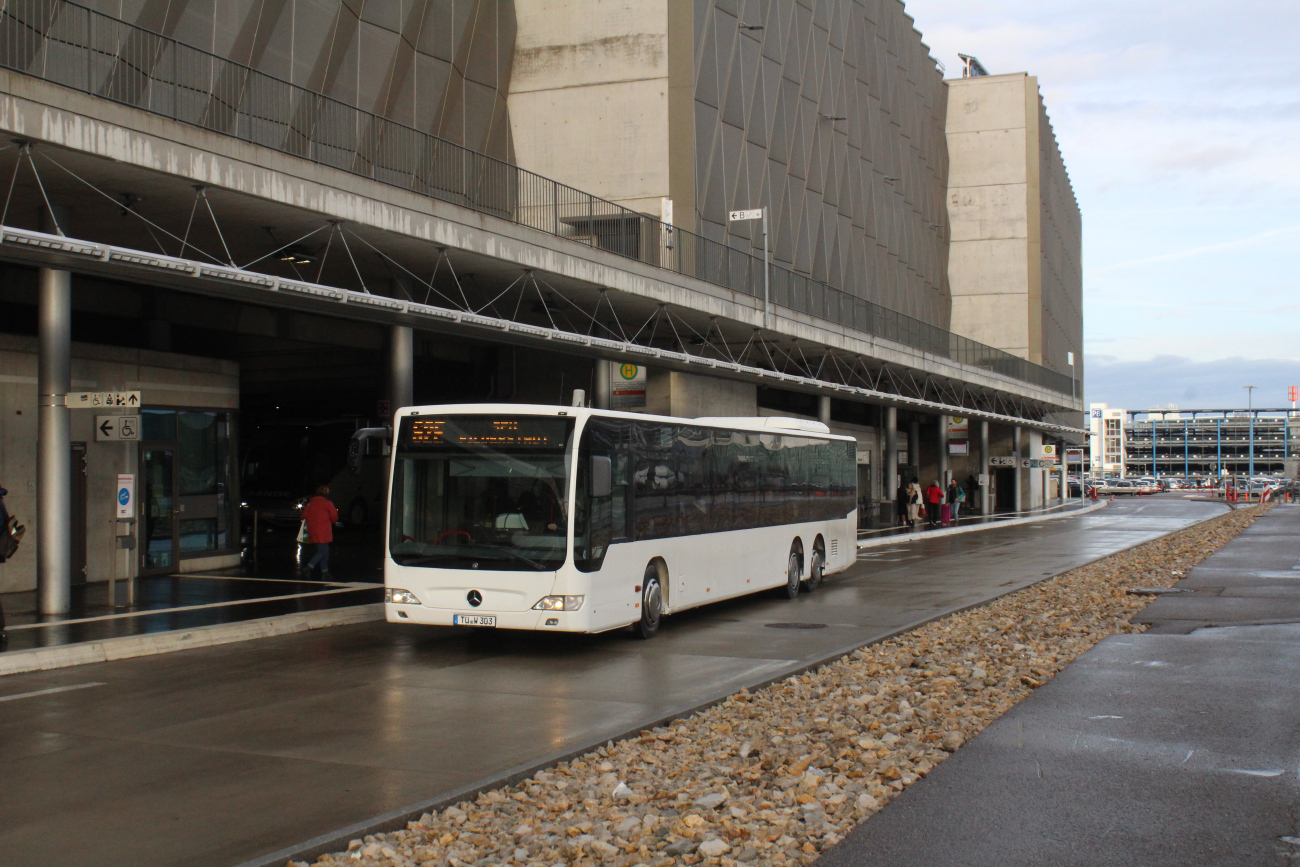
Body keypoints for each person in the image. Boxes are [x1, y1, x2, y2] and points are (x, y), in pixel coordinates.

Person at [300, 485, 339, 579]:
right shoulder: (328, 503)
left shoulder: (311, 503)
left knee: (323, 551)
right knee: (323, 551)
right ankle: (309, 567)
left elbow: (304, 515)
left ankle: (325, 572)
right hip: (324, 530)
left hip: (312, 529)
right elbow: (334, 517)